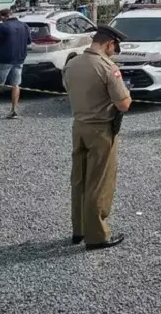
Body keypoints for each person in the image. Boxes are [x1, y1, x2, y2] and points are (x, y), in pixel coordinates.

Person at [63, 25, 131, 251]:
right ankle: (97, 235)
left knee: (79, 179)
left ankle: (79, 229)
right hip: (101, 129)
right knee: (99, 182)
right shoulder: (107, 67)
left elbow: (68, 89)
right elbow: (124, 104)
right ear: (109, 43)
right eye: (115, 47)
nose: (114, 51)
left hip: (79, 126)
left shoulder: (72, 63)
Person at [0, 9, 31, 120]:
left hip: (4, 59)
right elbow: (28, 41)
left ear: (2, 16)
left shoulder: (2, 27)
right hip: (19, 59)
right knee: (16, 84)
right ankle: (14, 110)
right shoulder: (24, 26)